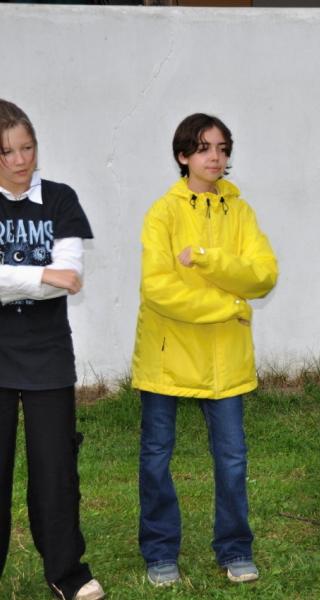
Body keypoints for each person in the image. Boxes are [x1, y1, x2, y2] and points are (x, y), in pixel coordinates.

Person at [131, 113, 278, 587]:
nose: (215, 157)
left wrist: (207, 259)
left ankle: (235, 549)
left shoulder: (241, 212)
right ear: (183, 156)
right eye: (203, 148)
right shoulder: (163, 213)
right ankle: (160, 553)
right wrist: (228, 305)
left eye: (222, 148)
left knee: (232, 459)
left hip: (224, 360)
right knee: (157, 457)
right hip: (166, 355)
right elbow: (158, 289)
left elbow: (263, 276)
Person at [0, 100, 104, 600]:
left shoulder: (60, 199)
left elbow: (72, 276)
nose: (21, 160)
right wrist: (43, 275)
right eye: (7, 152)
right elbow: (56, 276)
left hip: (48, 356)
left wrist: (14, 279)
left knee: (55, 471)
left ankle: (67, 572)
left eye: (28, 147)